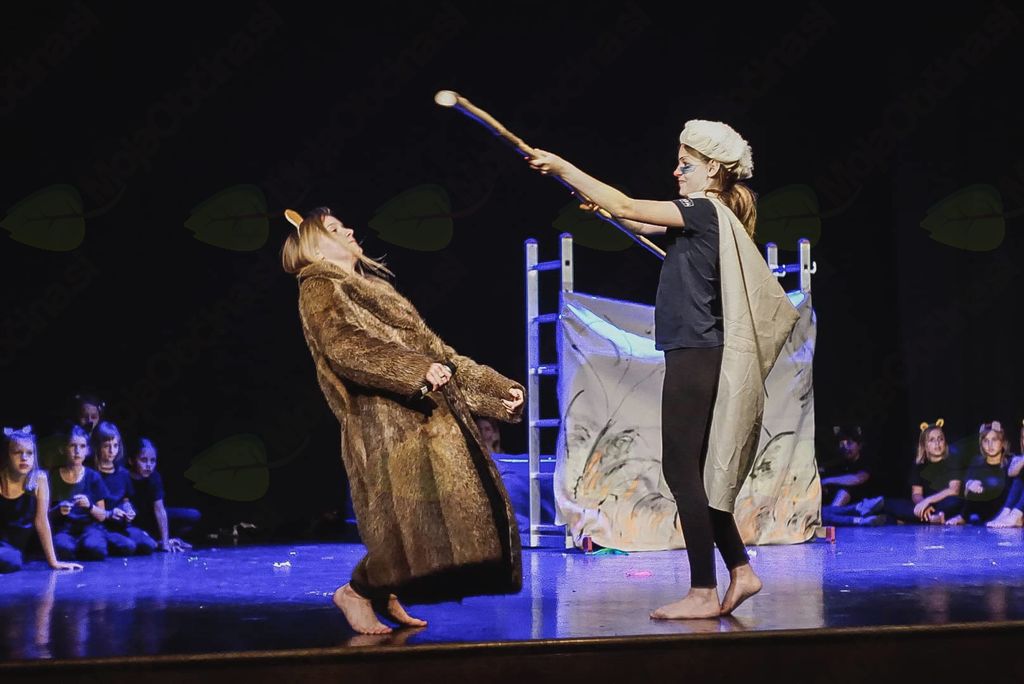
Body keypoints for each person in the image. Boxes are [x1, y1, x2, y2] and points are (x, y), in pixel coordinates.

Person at [528, 119, 799, 618]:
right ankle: (740, 570)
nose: (676, 171)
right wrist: (599, 203)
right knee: (695, 472)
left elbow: (629, 206)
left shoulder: (703, 209)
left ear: (712, 169)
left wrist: (562, 166)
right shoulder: (706, 217)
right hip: (696, 351)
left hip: (696, 351)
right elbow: (634, 220)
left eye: (685, 164)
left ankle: (702, 591)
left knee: (680, 468)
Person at [281, 207, 525, 634]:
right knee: (401, 532)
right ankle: (357, 592)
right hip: (385, 429)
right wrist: (414, 370)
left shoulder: (378, 290)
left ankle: (384, 592)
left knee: (422, 530)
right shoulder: (320, 286)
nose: (349, 230)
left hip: (424, 424)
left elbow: (441, 356)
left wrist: (496, 390)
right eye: (335, 229)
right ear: (315, 248)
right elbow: (346, 347)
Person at [0, 426, 82, 573]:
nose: (24, 458)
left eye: (29, 453)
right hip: (3, 543)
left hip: (26, 543)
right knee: (10, 560)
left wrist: (54, 562)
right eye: (17, 452)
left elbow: (42, 521)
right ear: (7, 455)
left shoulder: (39, 479)